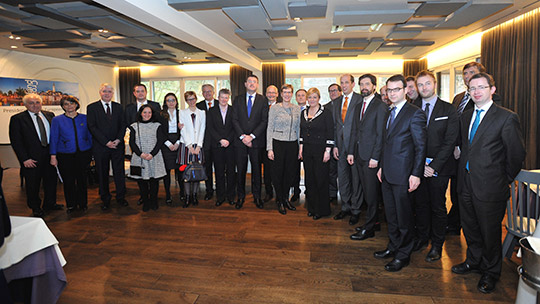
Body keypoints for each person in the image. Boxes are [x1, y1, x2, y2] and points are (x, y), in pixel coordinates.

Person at [452, 72, 525, 293]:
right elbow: (467, 148)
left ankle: (491, 272)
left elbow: (516, 155)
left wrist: (503, 180)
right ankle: (473, 261)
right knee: (470, 227)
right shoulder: (466, 117)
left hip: (491, 187)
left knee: (490, 232)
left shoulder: (506, 117)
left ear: (492, 90)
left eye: (481, 87)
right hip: (465, 183)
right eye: (472, 88)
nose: (476, 92)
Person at [375, 74, 426, 272]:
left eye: (397, 89)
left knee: (404, 217)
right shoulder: (389, 111)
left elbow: (421, 147)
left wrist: (416, 174)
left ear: (405, 90)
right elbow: (386, 143)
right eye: (389, 90)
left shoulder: (415, 113)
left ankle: (403, 255)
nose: (392, 93)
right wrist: (381, 166)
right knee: (392, 215)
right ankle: (393, 246)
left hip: (405, 175)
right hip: (387, 172)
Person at [447, 62, 501, 235]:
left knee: (484, 222)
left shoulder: (494, 104)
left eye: (472, 72)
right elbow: (455, 124)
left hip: (483, 168)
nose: (467, 75)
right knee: (458, 193)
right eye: (465, 73)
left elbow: (513, 154)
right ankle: (455, 223)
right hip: (458, 155)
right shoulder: (459, 97)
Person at [411, 70, 458, 261]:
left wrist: (434, 166)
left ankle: (437, 245)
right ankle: (423, 238)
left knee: (437, 206)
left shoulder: (448, 109)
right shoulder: (412, 107)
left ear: (435, 84)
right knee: (420, 205)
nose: (424, 88)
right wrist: (419, 165)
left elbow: (450, 141)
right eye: (420, 85)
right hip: (416, 167)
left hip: (439, 167)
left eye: (427, 84)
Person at [347, 74, 387, 240]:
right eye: (361, 84)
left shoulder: (380, 106)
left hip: (371, 157)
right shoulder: (358, 106)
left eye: (367, 84)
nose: (364, 87)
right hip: (359, 155)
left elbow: (380, 135)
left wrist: (376, 157)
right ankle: (373, 222)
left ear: (374, 86)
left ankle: (369, 228)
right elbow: (355, 131)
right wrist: (350, 151)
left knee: (371, 194)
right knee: (366, 192)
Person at [9, 93, 61, 217]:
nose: (35, 105)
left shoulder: (50, 115)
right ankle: (35, 207)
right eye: (31, 103)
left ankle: (50, 203)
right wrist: (24, 159)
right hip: (31, 158)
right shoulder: (18, 119)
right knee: (33, 184)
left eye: (37, 102)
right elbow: (16, 141)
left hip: (50, 155)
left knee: (51, 181)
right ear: (25, 104)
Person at [87, 83, 128, 210]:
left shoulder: (119, 107)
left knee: (119, 173)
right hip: (101, 146)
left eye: (109, 91)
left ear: (112, 93)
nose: (107, 93)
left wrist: (118, 140)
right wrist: (106, 142)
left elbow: (123, 125)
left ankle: (121, 197)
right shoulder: (92, 107)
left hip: (117, 146)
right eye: (105, 91)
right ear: (100, 92)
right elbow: (92, 127)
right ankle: (105, 198)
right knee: (102, 174)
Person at [50, 96, 93, 213]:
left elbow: (90, 136)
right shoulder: (57, 120)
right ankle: (71, 205)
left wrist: (92, 152)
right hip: (65, 155)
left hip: (83, 154)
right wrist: (53, 156)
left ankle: (83, 204)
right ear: (63, 107)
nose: (69, 106)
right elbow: (53, 138)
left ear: (76, 105)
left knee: (82, 181)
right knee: (68, 181)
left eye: (71, 103)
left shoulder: (85, 118)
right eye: (66, 104)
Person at [232, 75, 268, 209]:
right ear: (245, 84)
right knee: (240, 170)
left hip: (256, 141)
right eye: (250, 82)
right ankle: (240, 197)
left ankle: (257, 196)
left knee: (257, 171)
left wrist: (251, 136)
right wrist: (243, 137)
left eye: (255, 82)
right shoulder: (237, 99)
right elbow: (234, 119)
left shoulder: (263, 100)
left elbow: (264, 120)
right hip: (240, 142)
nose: (252, 84)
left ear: (257, 85)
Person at [332, 74, 362, 225]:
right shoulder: (336, 102)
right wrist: (335, 146)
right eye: (341, 83)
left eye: (346, 83)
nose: (343, 86)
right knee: (342, 178)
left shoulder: (360, 100)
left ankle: (356, 210)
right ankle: (345, 207)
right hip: (340, 147)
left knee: (356, 179)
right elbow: (336, 126)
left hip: (355, 147)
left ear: (353, 84)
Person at [300, 88, 334, 220]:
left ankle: (322, 210)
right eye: (310, 97)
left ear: (319, 98)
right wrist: (301, 148)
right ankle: (312, 207)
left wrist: (328, 151)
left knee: (321, 180)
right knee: (310, 180)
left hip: (321, 151)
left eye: (314, 97)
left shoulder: (326, 113)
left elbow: (330, 132)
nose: (312, 100)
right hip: (307, 151)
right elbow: (302, 132)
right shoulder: (304, 112)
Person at [267, 84, 301, 214]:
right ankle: (279, 200)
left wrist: (299, 148)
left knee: (289, 173)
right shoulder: (275, 108)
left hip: (292, 144)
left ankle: (286, 198)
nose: (287, 94)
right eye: (284, 92)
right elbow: (269, 128)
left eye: (289, 92)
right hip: (278, 143)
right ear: (281, 94)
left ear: (292, 94)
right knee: (278, 173)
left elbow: (298, 129)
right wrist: (269, 148)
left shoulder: (297, 108)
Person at [128, 105, 166, 211]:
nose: (147, 114)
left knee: (154, 181)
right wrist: (140, 154)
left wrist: (152, 154)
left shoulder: (157, 125)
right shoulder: (134, 126)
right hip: (139, 157)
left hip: (154, 156)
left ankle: (154, 201)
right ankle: (145, 201)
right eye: (145, 112)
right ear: (140, 113)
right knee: (142, 182)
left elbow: (160, 141)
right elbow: (132, 142)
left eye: (149, 112)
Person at [207, 89, 236, 206]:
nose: (224, 99)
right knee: (218, 172)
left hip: (231, 145)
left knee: (231, 172)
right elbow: (210, 128)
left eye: (226, 97)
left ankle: (230, 196)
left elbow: (236, 127)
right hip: (217, 145)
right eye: (222, 97)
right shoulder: (211, 111)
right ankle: (220, 196)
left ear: (228, 98)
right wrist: (220, 140)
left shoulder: (233, 110)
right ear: (218, 97)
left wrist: (228, 140)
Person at [179, 91, 206, 207]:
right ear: (186, 101)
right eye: (189, 99)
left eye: (193, 98)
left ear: (196, 99)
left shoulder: (202, 113)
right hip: (186, 146)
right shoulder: (182, 112)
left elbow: (202, 129)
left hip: (198, 146)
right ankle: (187, 197)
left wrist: (198, 145)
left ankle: (194, 196)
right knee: (186, 172)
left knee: (197, 171)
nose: (192, 101)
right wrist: (190, 146)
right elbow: (183, 130)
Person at [160, 93, 184, 206]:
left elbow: (185, 130)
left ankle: (182, 193)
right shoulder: (161, 115)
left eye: (173, 100)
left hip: (179, 142)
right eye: (168, 100)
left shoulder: (181, 113)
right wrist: (169, 144)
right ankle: (168, 194)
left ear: (176, 101)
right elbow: (159, 132)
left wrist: (178, 142)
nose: (171, 102)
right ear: (165, 102)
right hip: (166, 144)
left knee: (180, 170)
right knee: (167, 172)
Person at [196, 84, 217, 200]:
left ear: (213, 92)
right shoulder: (198, 106)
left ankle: (221, 188)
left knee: (220, 168)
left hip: (219, 143)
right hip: (205, 143)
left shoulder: (221, 104)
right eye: (205, 92)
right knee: (207, 167)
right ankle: (209, 190)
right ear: (202, 93)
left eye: (209, 91)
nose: (207, 93)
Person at [291, 89, 307, 202]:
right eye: (298, 96)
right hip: (294, 144)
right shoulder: (292, 110)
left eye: (303, 95)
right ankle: (296, 191)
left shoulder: (311, 110)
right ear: (296, 98)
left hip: (308, 144)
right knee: (294, 169)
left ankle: (309, 190)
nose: (301, 97)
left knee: (308, 169)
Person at [263, 85, 279, 202]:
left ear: (277, 94)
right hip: (263, 142)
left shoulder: (281, 107)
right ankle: (268, 192)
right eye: (269, 92)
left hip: (278, 142)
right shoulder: (261, 106)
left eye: (273, 93)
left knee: (277, 169)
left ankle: (279, 192)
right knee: (267, 170)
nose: (271, 95)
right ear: (266, 93)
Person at [327, 83, 342, 201]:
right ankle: (332, 194)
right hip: (330, 144)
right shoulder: (326, 107)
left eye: (335, 90)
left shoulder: (348, 105)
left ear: (340, 92)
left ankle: (346, 196)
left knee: (344, 173)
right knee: (331, 172)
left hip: (345, 144)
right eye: (330, 91)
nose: (333, 93)